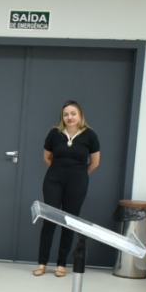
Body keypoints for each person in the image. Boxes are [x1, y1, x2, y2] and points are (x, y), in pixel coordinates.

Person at [34, 100, 100, 277]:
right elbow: (47, 158)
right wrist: (59, 171)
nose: (69, 117)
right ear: (62, 117)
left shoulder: (90, 135)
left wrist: (79, 174)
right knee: (50, 219)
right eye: (66, 114)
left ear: (80, 115)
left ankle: (61, 264)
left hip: (77, 182)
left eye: (73, 113)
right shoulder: (54, 134)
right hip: (54, 179)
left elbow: (95, 163)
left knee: (68, 222)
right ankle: (42, 263)